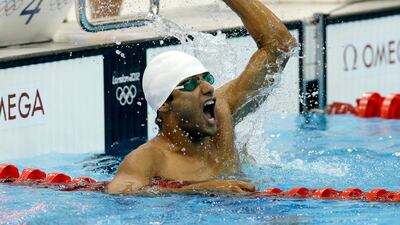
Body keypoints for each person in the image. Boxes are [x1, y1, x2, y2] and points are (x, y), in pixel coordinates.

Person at [106, 0, 297, 195]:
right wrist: (199, 189)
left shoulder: (222, 113)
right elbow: (119, 193)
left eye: (206, 78)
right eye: (190, 84)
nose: (208, 88)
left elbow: (280, 46)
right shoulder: (149, 158)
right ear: (165, 104)